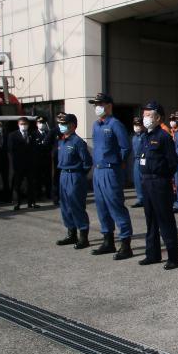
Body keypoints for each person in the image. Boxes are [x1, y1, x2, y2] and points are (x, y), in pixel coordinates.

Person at [89, 93, 133, 260]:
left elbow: (125, 147)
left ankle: (125, 244)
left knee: (116, 205)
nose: (97, 107)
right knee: (101, 207)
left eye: (100, 104)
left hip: (110, 170)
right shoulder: (96, 125)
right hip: (98, 170)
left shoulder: (115, 124)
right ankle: (108, 240)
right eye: (95, 104)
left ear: (109, 106)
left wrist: (116, 163)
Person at [138, 101, 178, 270]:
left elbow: (172, 162)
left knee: (165, 220)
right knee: (151, 220)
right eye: (144, 114)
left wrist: (163, 177)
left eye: (149, 115)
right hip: (146, 181)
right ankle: (152, 254)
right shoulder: (145, 136)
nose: (145, 118)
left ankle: (173, 257)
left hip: (159, 182)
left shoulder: (163, 137)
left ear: (158, 117)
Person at [54, 114, 92, 249]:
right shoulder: (61, 141)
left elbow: (87, 162)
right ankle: (71, 234)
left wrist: (79, 176)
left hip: (75, 176)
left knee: (76, 206)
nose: (61, 126)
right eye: (60, 123)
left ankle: (83, 237)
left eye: (64, 123)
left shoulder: (78, 142)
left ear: (72, 125)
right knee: (65, 206)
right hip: (63, 175)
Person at [8, 117, 38, 210]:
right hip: (18, 164)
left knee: (31, 184)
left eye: (25, 124)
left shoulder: (31, 134)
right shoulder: (12, 135)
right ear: (18, 124)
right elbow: (10, 150)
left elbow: (34, 148)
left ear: (28, 125)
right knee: (17, 184)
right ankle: (17, 203)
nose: (23, 126)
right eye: (21, 124)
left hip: (30, 164)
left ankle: (31, 202)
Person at [32, 116, 54, 201]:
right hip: (37, 160)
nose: (41, 124)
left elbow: (51, 145)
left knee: (48, 178)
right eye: (40, 123)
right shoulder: (33, 134)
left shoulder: (48, 133)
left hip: (47, 159)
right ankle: (38, 195)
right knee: (38, 179)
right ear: (37, 124)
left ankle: (48, 194)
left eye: (43, 123)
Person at [51, 111, 67, 206]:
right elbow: (46, 143)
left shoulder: (67, 130)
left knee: (64, 178)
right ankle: (55, 198)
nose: (61, 120)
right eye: (60, 118)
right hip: (57, 158)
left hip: (66, 158)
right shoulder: (54, 131)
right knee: (56, 178)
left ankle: (64, 197)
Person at [130, 116, 144, 208]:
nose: (137, 126)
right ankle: (140, 199)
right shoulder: (134, 137)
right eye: (135, 125)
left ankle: (146, 198)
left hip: (143, 159)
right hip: (136, 160)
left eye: (138, 124)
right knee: (137, 180)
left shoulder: (145, 136)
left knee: (144, 180)